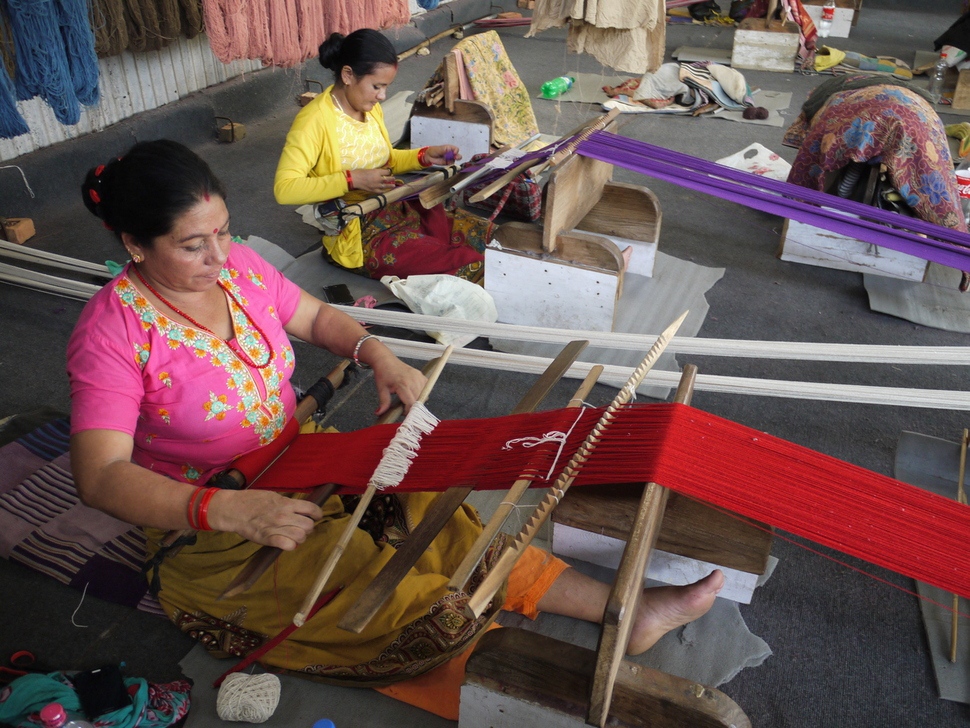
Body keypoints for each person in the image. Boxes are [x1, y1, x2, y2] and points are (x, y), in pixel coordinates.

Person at [68, 139, 723, 719]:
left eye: (224, 232)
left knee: (437, 508)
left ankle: (621, 610)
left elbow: (320, 319)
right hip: (214, 526)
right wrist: (228, 511)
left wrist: (375, 353)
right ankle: (516, 665)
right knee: (372, 580)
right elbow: (100, 478)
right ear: (134, 244)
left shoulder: (240, 267)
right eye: (192, 245)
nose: (219, 256)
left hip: (303, 458)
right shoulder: (112, 334)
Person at [274, 28, 491, 284]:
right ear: (347, 75)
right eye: (377, 86)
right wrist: (351, 180)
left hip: (394, 207)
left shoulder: (369, 109)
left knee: (482, 237)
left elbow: (384, 161)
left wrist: (424, 156)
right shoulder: (314, 121)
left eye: (386, 87)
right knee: (464, 263)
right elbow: (284, 189)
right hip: (359, 233)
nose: (382, 96)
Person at [783, 73, 970, 290]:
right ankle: (960, 248)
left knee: (815, 167)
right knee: (938, 192)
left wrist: (798, 198)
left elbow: (811, 159)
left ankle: (798, 210)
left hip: (891, 119)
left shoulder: (836, 96)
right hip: (910, 120)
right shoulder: (921, 109)